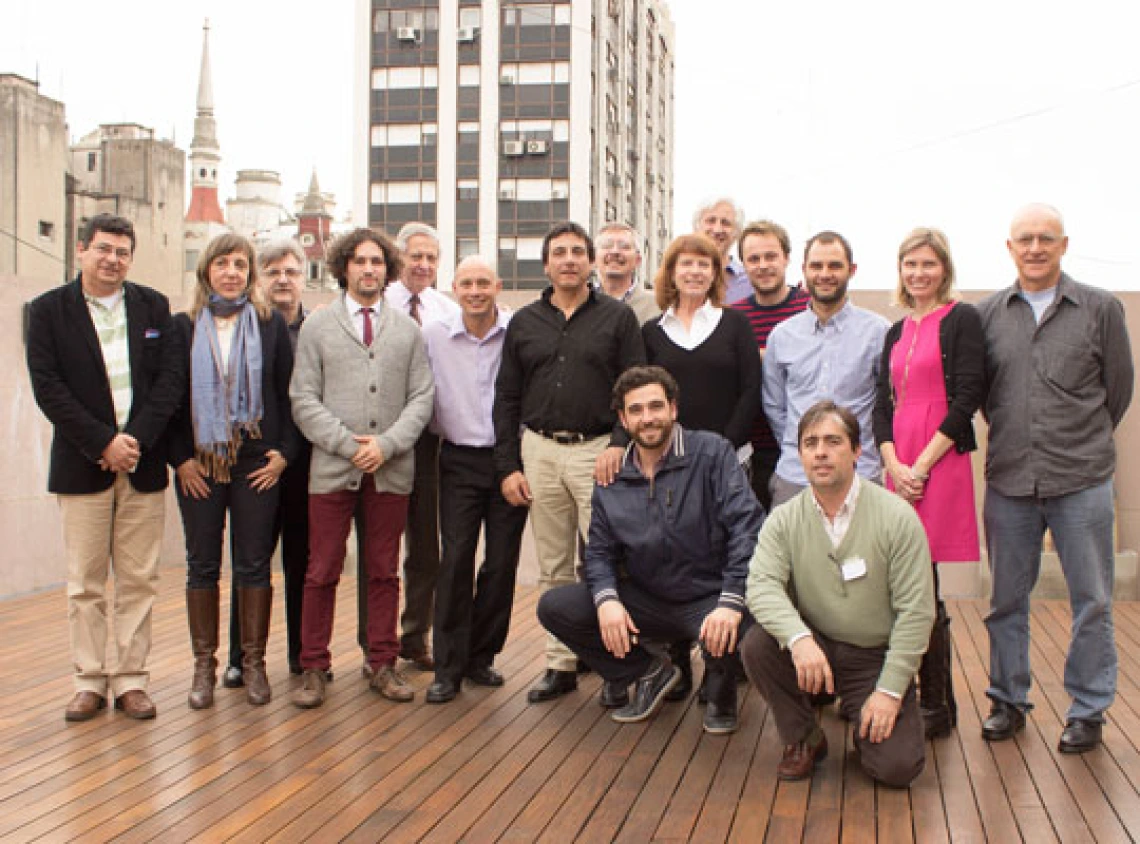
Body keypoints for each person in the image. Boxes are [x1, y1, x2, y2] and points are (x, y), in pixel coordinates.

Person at [977, 204, 1133, 753]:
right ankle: (1007, 700)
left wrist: (1078, 439)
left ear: (1064, 245)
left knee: (1091, 599)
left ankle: (1088, 711)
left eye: (1046, 238)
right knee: (1005, 600)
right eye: (1025, 239)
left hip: (1082, 478)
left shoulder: (1100, 309)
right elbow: (986, 397)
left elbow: (1117, 391)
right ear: (1010, 247)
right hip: (1010, 481)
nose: (1035, 247)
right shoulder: (988, 314)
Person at [537, 366, 764, 733]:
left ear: (673, 409)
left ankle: (721, 685)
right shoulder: (612, 475)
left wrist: (730, 600)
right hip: (648, 598)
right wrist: (607, 600)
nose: (648, 418)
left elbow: (747, 528)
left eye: (656, 407)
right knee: (557, 607)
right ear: (623, 419)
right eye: (637, 410)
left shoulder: (712, 453)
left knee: (737, 624)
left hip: (708, 595)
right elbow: (598, 553)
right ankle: (648, 672)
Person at [27, 213, 182, 722]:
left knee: (138, 580)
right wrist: (103, 442)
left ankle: (132, 680)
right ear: (81, 250)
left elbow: (168, 384)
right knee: (85, 582)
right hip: (82, 462)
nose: (112, 259)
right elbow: (48, 388)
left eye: (121, 251)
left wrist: (132, 441)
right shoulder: (49, 311)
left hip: (141, 462)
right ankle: (89, 680)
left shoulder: (153, 307)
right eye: (103, 249)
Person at [742, 401, 934, 786]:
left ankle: (867, 714)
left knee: (896, 769)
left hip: (873, 657)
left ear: (857, 450)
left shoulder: (897, 517)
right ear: (800, 455)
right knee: (757, 645)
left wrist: (890, 692)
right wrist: (799, 640)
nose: (821, 452)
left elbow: (917, 613)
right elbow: (760, 585)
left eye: (833, 441)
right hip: (818, 649)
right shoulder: (784, 519)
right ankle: (804, 737)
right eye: (811, 443)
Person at [493, 221, 645, 704]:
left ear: (591, 261)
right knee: (554, 567)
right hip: (539, 451)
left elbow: (634, 386)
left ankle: (617, 667)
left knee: (607, 562)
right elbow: (506, 397)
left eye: (579, 252)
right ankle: (560, 665)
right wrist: (508, 466)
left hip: (597, 451)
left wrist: (620, 443)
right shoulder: (524, 322)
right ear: (546, 264)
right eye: (560, 252)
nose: (570, 260)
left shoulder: (617, 319)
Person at [290, 228, 434, 708]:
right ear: (343, 268)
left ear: (387, 270)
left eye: (376, 262)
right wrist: (346, 445)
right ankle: (313, 665)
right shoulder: (318, 326)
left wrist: (387, 445)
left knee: (383, 571)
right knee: (322, 569)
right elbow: (303, 398)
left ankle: (383, 662)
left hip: (390, 472)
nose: (368, 269)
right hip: (332, 471)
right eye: (359, 261)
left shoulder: (408, 331)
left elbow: (422, 397)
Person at [169, 233, 299, 709]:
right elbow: (168, 401)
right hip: (199, 462)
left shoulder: (269, 325)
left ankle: (254, 664)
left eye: (240, 264)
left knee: (253, 563)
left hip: (255, 462)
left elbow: (289, 396)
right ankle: (204, 667)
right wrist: (180, 459)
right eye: (222, 263)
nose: (231, 272)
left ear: (250, 274)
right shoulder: (182, 327)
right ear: (206, 271)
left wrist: (285, 453)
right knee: (201, 563)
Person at [873, 228, 985, 738]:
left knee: (927, 584)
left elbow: (967, 398)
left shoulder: (962, 319)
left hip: (938, 460)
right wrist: (894, 464)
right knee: (900, 580)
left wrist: (921, 466)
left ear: (944, 268)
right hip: (899, 464)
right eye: (909, 264)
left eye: (927, 264)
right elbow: (881, 405)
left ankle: (936, 702)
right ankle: (914, 694)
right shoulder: (895, 331)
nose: (918, 273)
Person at [641, 232, 762, 701]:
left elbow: (751, 390)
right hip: (667, 467)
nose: (694, 272)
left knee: (723, 562)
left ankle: (720, 672)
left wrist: (722, 449)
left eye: (704, 265)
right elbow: (643, 397)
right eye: (685, 264)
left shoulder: (734, 325)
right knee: (667, 561)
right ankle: (675, 666)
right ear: (671, 273)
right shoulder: (652, 332)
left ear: (716, 275)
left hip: (727, 462)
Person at [422, 256, 528, 703]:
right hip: (458, 459)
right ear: (454, 287)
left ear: (498, 286)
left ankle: (480, 657)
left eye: (484, 282)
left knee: (501, 564)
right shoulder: (433, 335)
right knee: (457, 560)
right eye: (466, 283)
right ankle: (447, 667)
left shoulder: (517, 332)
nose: (476, 290)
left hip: (510, 460)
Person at [222, 241, 313, 686]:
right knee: (250, 559)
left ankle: (302, 654)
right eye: (273, 270)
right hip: (256, 464)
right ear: (259, 278)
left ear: (304, 277)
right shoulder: (247, 328)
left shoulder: (318, 330)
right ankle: (241, 657)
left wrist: (290, 453)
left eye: (291, 271)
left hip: (304, 464)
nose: (282, 278)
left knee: (303, 561)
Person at [381, 222, 460, 672]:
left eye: (432, 258)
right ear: (399, 257)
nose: (424, 265)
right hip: (382, 441)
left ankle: (415, 635)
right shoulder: (379, 303)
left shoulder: (444, 309)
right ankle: (377, 641)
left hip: (429, 444)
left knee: (426, 549)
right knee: (380, 547)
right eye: (416, 256)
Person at [763, 231, 889, 509]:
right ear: (804, 270)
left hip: (860, 475)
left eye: (834, 266)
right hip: (795, 477)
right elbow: (775, 407)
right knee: (790, 553)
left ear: (851, 270)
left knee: (863, 554)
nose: (825, 274)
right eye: (817, 266)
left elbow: (888, 405)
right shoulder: (782, 336)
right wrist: (804, 447)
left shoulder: (878, 332)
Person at [731, 220, 810, 510]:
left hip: (803, 449)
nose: (763, 265)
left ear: (787, 258)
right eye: (753, 259)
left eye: (770, 256)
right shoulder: (734, 318)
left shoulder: (809, 308)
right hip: (751, 452)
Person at [595, 222, 660, 325]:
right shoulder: (578, 303)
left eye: (624, 246)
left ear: (638, 260)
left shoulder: (658, 306)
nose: (615, 251)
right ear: (593, 258)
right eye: (607, 245)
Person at [693, 197, 749, 304]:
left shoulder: (750, 282)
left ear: (736, 232)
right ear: (697, 227)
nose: (717, 229)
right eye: (711, 221)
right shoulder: (680, 277)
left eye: (725, 223)